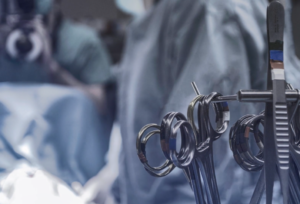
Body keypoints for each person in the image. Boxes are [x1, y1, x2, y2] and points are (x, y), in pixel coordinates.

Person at [113, 0, 274, 204]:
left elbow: (215, 160)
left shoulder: (205, 10)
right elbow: (137, 124)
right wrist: (117, 187)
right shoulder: (152, 22)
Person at [0, 0, 112, 114]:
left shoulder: (84, 45)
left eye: (40, 20)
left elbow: (100, 107)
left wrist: (54, 70)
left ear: (55, 9)